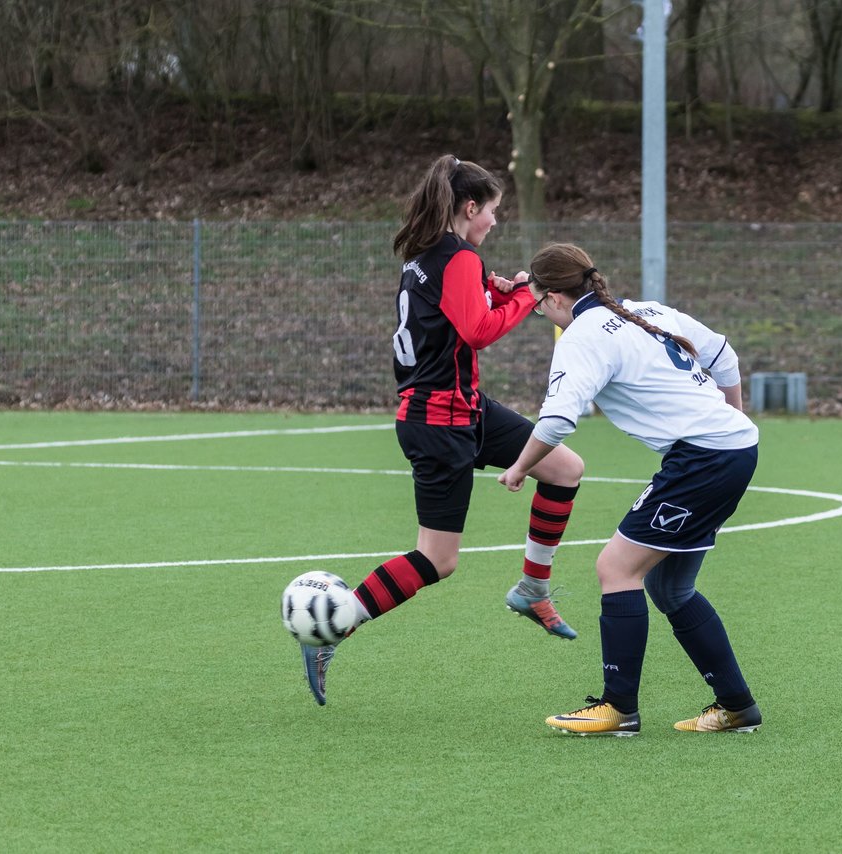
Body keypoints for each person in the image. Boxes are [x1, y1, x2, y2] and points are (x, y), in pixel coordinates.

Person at [296, 155, 586, 706]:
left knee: (564, 468)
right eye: (493, 212)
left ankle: (532, 588)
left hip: (464, 408)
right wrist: (523, 298)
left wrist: (497, 291)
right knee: (438, 558)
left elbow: (451, 320)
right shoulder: (456, 259)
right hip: (437, 420)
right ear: (469, 208)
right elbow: (475, 332)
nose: (495, 222)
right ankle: (334, 626)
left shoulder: (427, 258)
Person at [498, 243, 763, 736]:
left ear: (555, 297)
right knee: (670, 586)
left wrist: (518, 467)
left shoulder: (580, 337)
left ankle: (619, 707)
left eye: (537, 305)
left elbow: (557, 420)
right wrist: (733, 417)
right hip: (731, 448)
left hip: (703, 457)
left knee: (616, 568)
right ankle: (737, 706)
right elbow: (725, 357)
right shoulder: (646, 310)